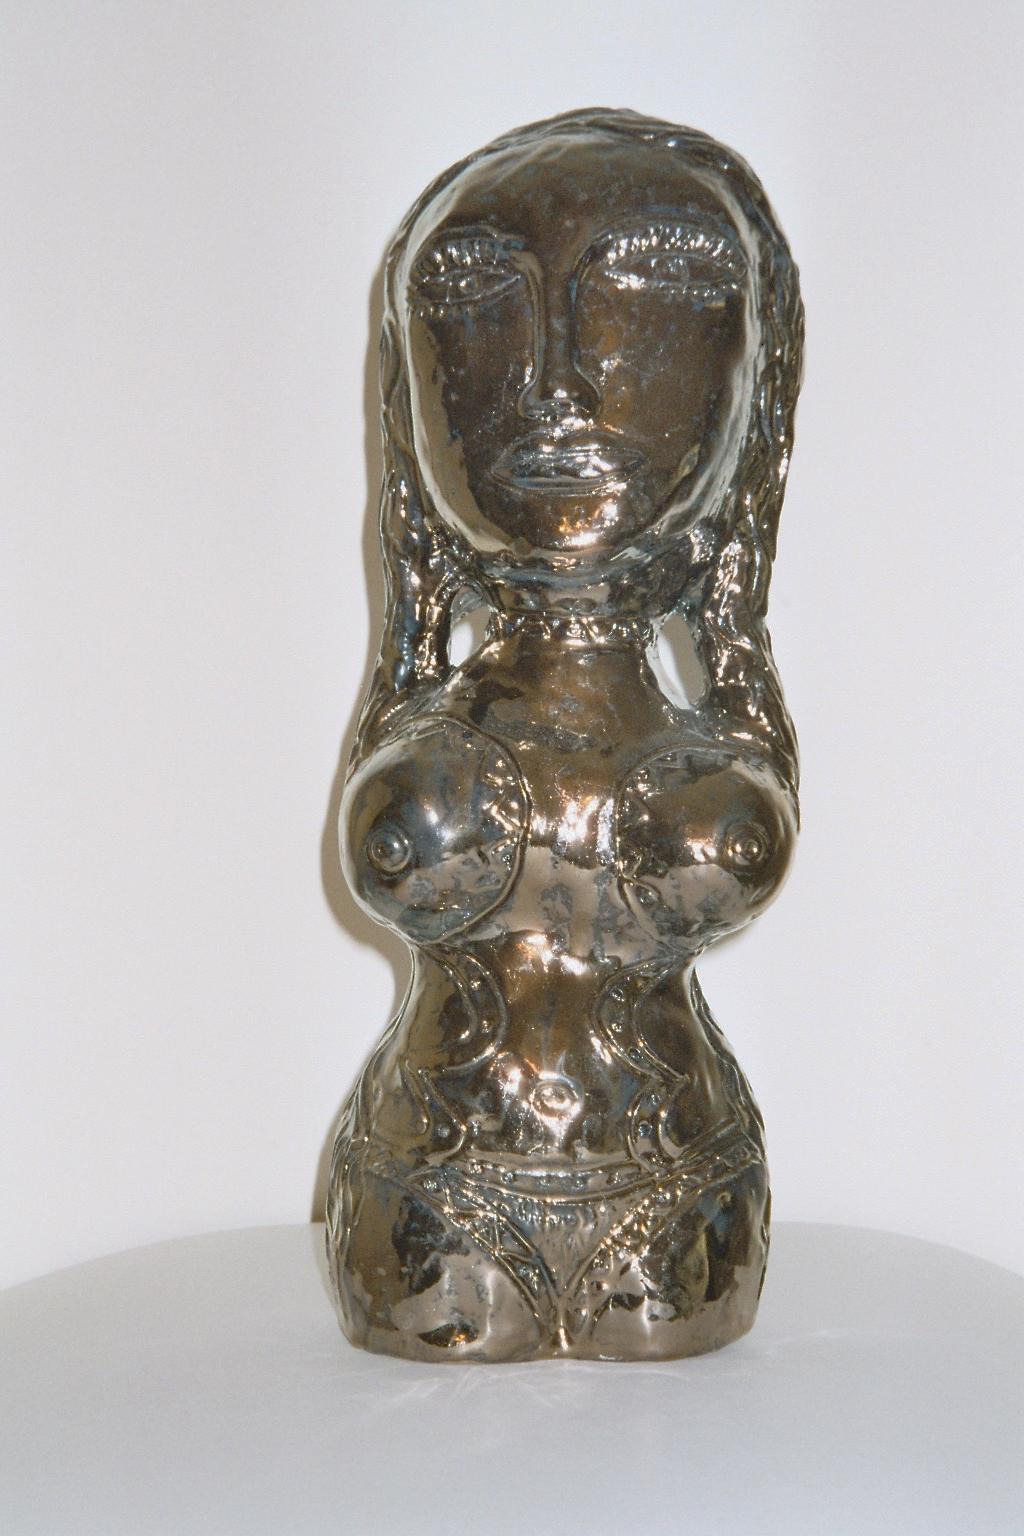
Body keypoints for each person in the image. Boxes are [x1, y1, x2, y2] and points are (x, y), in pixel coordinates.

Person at [327, 108, 804, 1362]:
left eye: (657, 287)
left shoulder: (723, 697)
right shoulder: (420, 693)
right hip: (425, 1194)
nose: (556, 386)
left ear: (751, 379)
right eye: (473, 300)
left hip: (680, 1194)